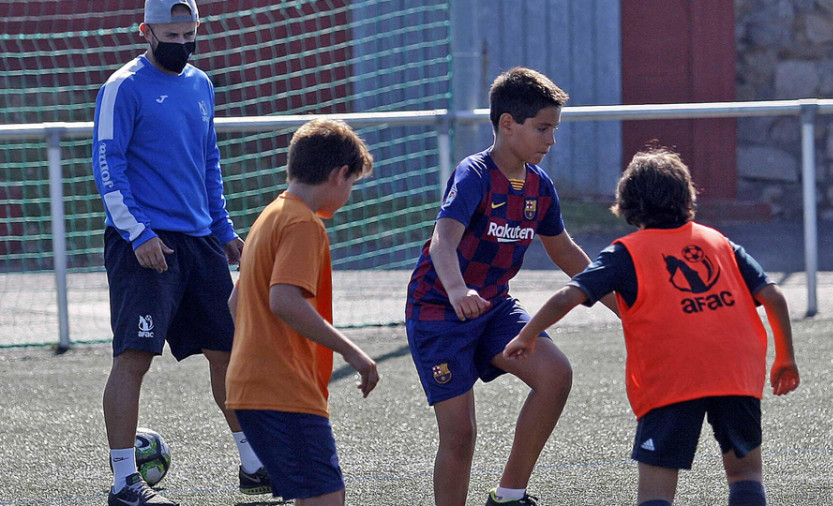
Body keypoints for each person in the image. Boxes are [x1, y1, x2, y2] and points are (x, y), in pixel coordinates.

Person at [504, 147, 801, 506]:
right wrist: (785, 359)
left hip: (671, 378)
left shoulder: (627, 252)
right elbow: (774, 297)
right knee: (745, 476)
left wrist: (527, 334)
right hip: (736, 372)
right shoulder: (720, 243)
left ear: (627, 204)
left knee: (656, 493)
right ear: (688, 196)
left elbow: (569, 295)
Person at [405, 67, 616, 506]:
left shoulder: (540, 186)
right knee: (460, 435)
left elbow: (567, 253)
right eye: (543, 128)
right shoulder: (474, 174)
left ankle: (509, 495)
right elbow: (443, 240)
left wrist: (626, 307)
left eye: (553, 129)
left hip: (494, 309)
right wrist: (458, 290)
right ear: (507, 124)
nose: (551, 140)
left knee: (555, 374)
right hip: (439, 310)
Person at [91, 1, 269, 505]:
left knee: (230, 354)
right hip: (143, 244)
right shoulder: (122, 86)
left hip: (200, 243)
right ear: (146, 31)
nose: (182, 44)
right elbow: (107, 165)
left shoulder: (201, 84)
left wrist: (224, 230)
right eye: (170, 35)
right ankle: (125, 482)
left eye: (189, 34)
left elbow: (208, 162)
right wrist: (139, 234)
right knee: (134, 358)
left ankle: (255, 464)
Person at [225, 118, 380, 506]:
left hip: (252, 388)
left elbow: (235, 303)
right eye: (351, 184)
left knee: (313, 496)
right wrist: (353, 352)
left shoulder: (270, 215)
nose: (348, 194)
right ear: (339, 174)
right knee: (327, 498)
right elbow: (285, 300)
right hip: (284, 391)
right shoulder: (303, 224)